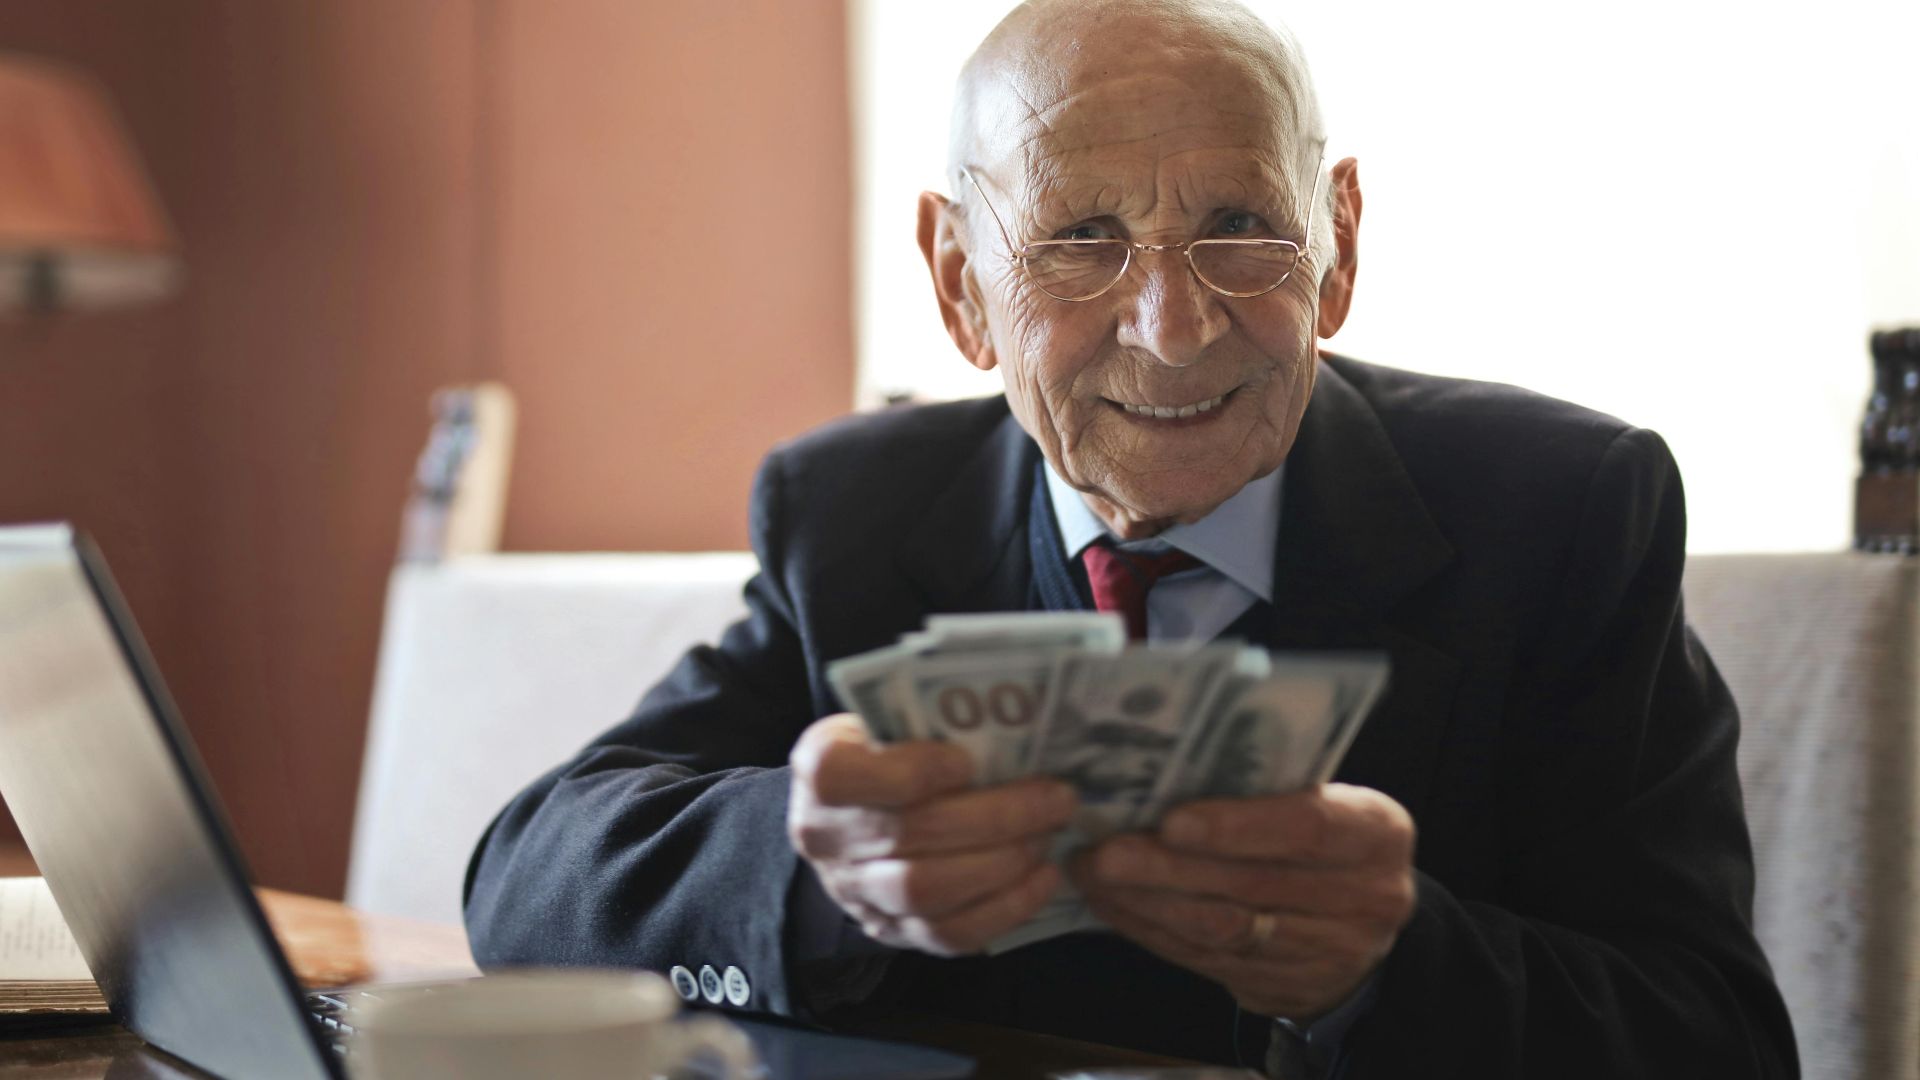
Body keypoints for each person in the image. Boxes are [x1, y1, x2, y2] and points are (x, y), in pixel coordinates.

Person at [463, 1, 1799, 1076]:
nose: (1173, 325)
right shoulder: (857, 516)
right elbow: (529, 878)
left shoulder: (1562, 509)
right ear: (958, 285)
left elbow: (1718, 1038)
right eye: (1080, 242)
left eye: (1239, 230)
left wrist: (1392, 961)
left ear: (1335, 248)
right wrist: (818, 873)